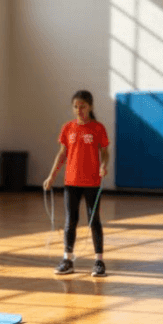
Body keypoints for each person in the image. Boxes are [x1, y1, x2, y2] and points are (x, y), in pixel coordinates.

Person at [42, 90, 110, 277]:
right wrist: (51, 176)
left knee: (93, 220)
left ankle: (99, 261)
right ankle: (67, 259)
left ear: (90, 107)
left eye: (83, 106)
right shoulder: (68, 128)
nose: (79, 110)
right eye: (75, 107)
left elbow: (105, 152)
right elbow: (62, 153)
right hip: (71, 181)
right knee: (70, 221)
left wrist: (104, 165)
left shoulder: (98, 128)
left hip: (92, 182)